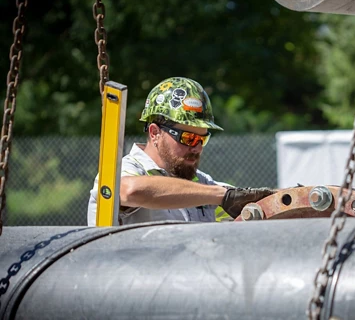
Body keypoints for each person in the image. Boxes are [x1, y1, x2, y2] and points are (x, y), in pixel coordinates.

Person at [87, 77, 275, 226]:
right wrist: (220, 195)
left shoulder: (200, 183)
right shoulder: (126, 171)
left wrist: (288, 199)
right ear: (154, 133)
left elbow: (245, 204)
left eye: (202, 139)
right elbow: (128, 191)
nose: (197, 147)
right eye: (188, 138)